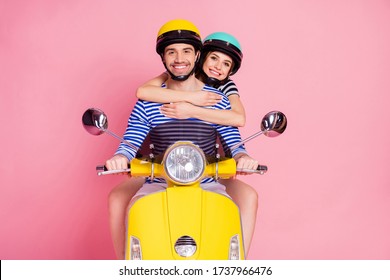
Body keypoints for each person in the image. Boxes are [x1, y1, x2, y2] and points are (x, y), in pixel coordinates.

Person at [106, 20, 258, 259]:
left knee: (229, 218)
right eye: (171, 52)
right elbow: (131, 140)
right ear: (164, 59)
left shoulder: (218, 98)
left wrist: (243, 156)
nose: (179, 58)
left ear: (197, 55)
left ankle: (236, 267)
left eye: (186, 51)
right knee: (135, 210)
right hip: (159, 182)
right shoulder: (148, 102)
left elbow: (233, 139)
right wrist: (119, 157)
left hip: (208, 182)